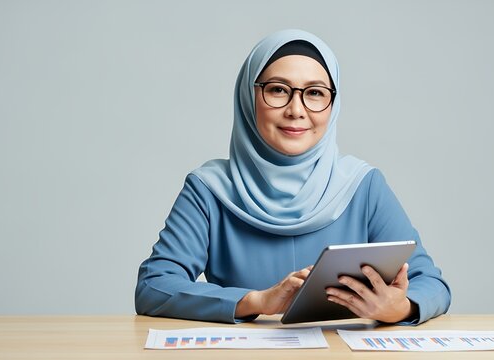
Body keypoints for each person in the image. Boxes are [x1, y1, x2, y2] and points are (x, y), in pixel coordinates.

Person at [135, 29, 451, 324]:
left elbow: (431, 283)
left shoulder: (362, 185)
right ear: (249, 96)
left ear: (333, 103)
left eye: (314, 93)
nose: (296, 109)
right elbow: (154, 286)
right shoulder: (209, 189)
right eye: (277, 90)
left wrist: (401, 307)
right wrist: (257, 301)